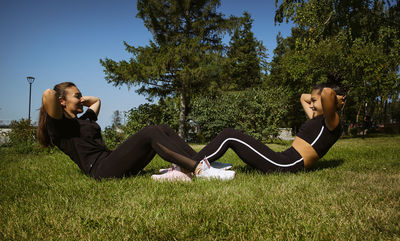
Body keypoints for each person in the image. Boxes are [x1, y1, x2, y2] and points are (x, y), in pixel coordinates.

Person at [37, 82, 235, 181]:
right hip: (101, 170)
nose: (81, 100)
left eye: (81, 96)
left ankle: (199, 160)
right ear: (61, 101)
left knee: (162, 129)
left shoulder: (85, 120)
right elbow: (49, 94)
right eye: (76, 96)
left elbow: (96, 101)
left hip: (112, 160)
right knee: (149, 132)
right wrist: (67, 98)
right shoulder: (60, 127)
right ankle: (200, 171)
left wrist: (79, 98)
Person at [179, 84, 346, 173]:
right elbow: (303, 97)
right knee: (230, 135)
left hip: (287, 165)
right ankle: (188, 163)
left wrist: (335, 99)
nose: (312, 104)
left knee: (229, 135)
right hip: (283, 159)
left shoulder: (332, 122)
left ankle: (187, 168)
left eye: (316, 101)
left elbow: (327, 95)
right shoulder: (317, 118)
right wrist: (316, 97)